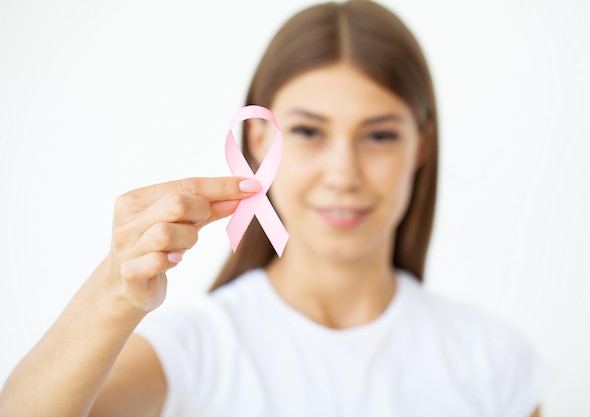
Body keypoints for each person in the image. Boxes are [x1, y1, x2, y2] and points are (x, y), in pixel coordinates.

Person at [0, 1, 551, 416]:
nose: (343, 173)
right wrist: (114, 294)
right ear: (257, 141)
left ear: (420, 147)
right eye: (308, 131)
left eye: (378, 136)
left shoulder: (492, 361)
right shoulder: (197, 348)